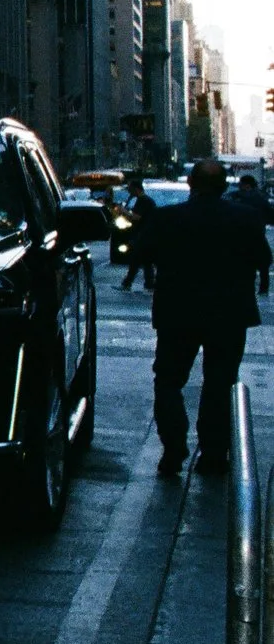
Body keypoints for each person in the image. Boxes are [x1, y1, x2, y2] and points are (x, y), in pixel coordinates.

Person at [129, 158, 271, 479]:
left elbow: (140, 254)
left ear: (191, 183)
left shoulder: (167, 218)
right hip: (229, 316)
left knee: (168, 381)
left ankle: (174, 448)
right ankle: (213, 454)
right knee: (220, 383)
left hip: (177, 314)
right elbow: (264, 258)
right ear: (224, 187)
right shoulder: (245, 218)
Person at [120, 180, 157, 291]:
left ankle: (128, 283)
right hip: (145, 234)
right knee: (146, 260)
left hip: (142, 234)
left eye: (130, 189)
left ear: (136, 189)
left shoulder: (143, 201)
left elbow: (136, 217)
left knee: (136, 259)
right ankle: (149, 283)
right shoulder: (145, 200)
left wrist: (124, 212)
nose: (129, 191)